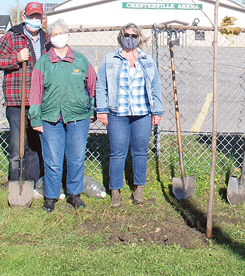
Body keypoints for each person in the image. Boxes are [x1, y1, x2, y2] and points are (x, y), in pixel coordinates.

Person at [28, 19, 97, 212]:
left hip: (78, 117)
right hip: (50, 118)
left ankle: (74, 194)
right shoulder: (43, 62)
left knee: (76, 158)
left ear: (68, 34)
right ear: (49, 38)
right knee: (53, 159)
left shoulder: (80, 60)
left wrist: (90, 110)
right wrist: (36, 117)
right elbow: (35, 92)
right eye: (55, 34)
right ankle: (51, 196)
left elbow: (92, 85)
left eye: (62, 33)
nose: (59, 36)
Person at [95, 23, 163, 208]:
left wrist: (157, 111)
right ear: (121, 36)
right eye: (127, 35)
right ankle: (115, 190)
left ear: (139, 38)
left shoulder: (147, 60)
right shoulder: (110, 59)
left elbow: (155, 86)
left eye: (134, 36)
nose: (130, 38)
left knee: (140, 151)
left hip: (142, 113)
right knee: (117, 152)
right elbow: (101, 85)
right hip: (118, 113)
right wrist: (101, 109)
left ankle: (138, 188)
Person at [0, 1, 51, 188]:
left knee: (35, 145)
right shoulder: (11, 37)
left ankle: (33, 182)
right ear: (24, 17)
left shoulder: (46, 38)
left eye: (38, 17)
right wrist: (15, 59)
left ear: (42, 18)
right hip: (17, 99)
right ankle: (16, 182)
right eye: (31, 16)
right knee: (17, 146)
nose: (35, 20)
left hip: (39, 100)